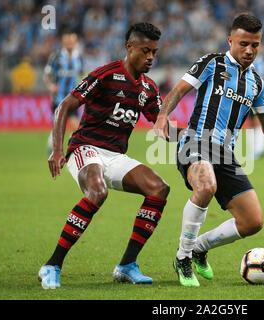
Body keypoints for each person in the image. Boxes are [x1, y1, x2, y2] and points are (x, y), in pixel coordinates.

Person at [154, 13, 264, 287]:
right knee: (206, 186)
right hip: (195, 143)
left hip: (225, 154)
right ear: (230, 40)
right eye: (244, 43)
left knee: (252, 221)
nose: (249, 50)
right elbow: (179, 91)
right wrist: (163, 116)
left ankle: (198, 247)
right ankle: (183, 258)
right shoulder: (212, 63)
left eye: (255, 45)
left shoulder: (256, 82)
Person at [39, 22, 171, 289]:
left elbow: (162, 126)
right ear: (129, 46)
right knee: (97, 191)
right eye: (145, 51)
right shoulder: (106, 74)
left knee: (159, 188)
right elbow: (64, 106)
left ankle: (126, 266)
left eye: (154, 52)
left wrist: (198, 137)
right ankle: (52, 265)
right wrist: (57, 149)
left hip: (115, 156)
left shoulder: (148, 88)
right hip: (85, 149)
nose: (150, 58)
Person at [44, 29, 83, 155]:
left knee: (75, 125)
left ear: (76, 41)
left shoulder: (79, 58)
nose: (70, 43)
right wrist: (51, 86)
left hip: (73, 98)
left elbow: (82, 75)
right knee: (59, 126)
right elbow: (47, 74)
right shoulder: (56, 57)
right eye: (67, 40)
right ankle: (51, 148)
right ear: (63, 41)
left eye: (72, 40)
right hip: (58, 98)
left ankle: (72, 151)